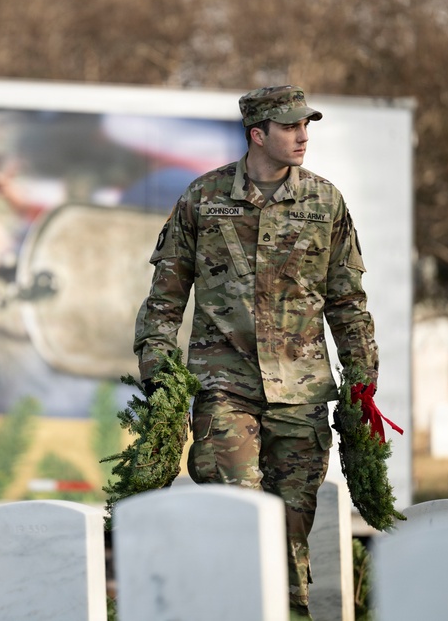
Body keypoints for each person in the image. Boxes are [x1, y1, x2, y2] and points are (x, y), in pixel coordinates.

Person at [133, 85, 379, 620]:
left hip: (301, 393)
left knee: (292, 526)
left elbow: (346, 299)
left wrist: (363, 374)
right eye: (290, 127)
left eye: (306, 125)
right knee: (236, 513)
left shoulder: (325, 202)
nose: (303, 136)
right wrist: (158, 369)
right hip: (224, 387)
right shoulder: (203, 199)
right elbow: (165, 297)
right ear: (257, 135)